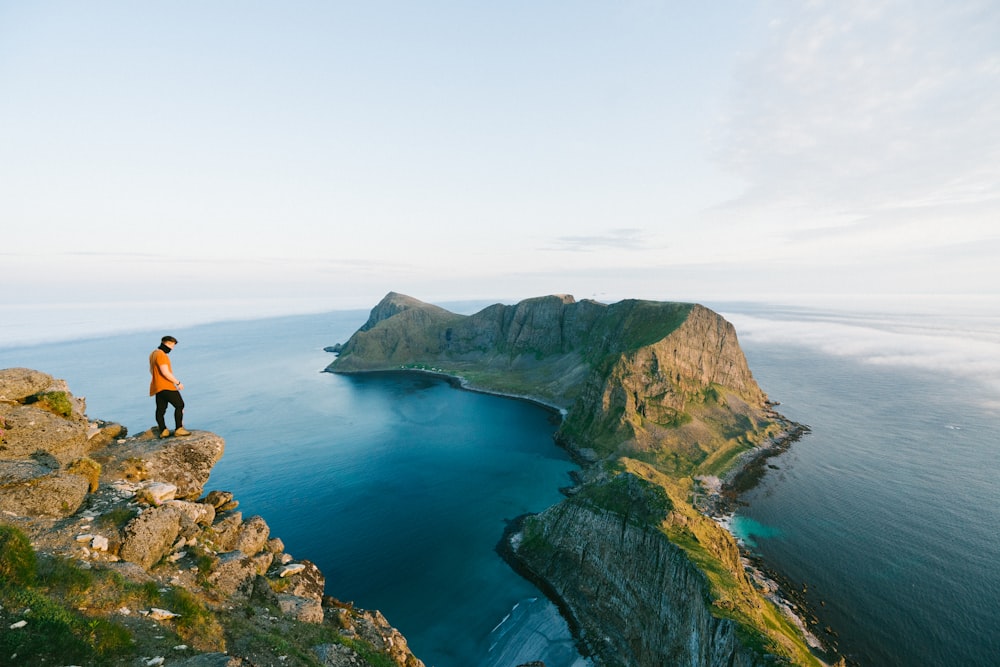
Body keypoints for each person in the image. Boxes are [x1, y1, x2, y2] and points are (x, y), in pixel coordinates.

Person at [149, 335, 190, 438]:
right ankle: (179, 429)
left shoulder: (153, 354)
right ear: (167, 343)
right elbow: (165, 372)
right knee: (180, 405)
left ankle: (163, 430)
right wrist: (178, 382)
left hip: (157, 386)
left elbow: (151, 371)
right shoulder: (162, 355)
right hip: (166, 385)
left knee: (160, 409)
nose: (172, 348)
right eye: (172, 345)